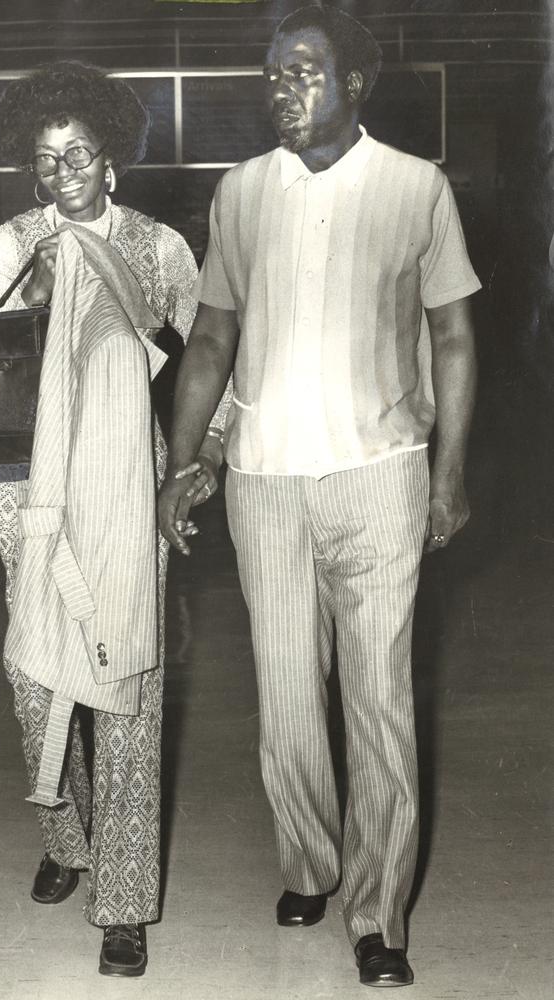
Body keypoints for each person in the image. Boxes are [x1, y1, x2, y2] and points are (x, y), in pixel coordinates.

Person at [159, 3, 479, 988]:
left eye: (301, 70)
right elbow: (210, 338)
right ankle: (308, 860)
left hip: (379, 474)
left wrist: (449, 469)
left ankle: (376, 916)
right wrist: (179, 463)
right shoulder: (241, 192)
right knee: (286, 696)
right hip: (262, 480)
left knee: (378, 699)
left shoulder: (414, 188)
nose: (280, 88)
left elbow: (454, 336)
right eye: (270, 73)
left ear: (352, 84)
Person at [0, 60, 222, 978]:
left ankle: (123, 901)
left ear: (111, 159)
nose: (63, 172)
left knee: (126, 685)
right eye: (46, 161)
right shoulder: (11, 243)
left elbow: (205, 361)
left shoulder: (160, 249)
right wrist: (32, 300)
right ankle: (69, 837)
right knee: (35, 680)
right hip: (27, 489)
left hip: (124, 489)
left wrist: (200, 464)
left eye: (78, 154)